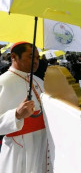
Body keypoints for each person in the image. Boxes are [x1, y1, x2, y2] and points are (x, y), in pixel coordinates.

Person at [0, 42, 50, 173]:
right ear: (14, 56)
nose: (35, 61)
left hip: (42, 144)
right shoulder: (3, 82)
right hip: (19, 148)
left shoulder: (39, 81)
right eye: (31, 56)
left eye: (37, 58)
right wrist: (16, 115)